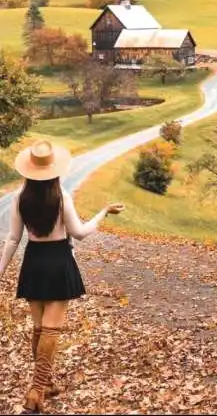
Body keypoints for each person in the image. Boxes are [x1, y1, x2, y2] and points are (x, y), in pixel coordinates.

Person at [0, 140, 125, 414]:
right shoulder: (62, 196)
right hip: (57, 262)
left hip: (33, 262)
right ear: (54, 169)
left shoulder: (21, 197)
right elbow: (79, 232)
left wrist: (1, 270)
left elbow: (12, 238)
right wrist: (103, 213)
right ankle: (35, 391)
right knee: (50, 330)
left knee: (39, 328)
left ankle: (47, 383)